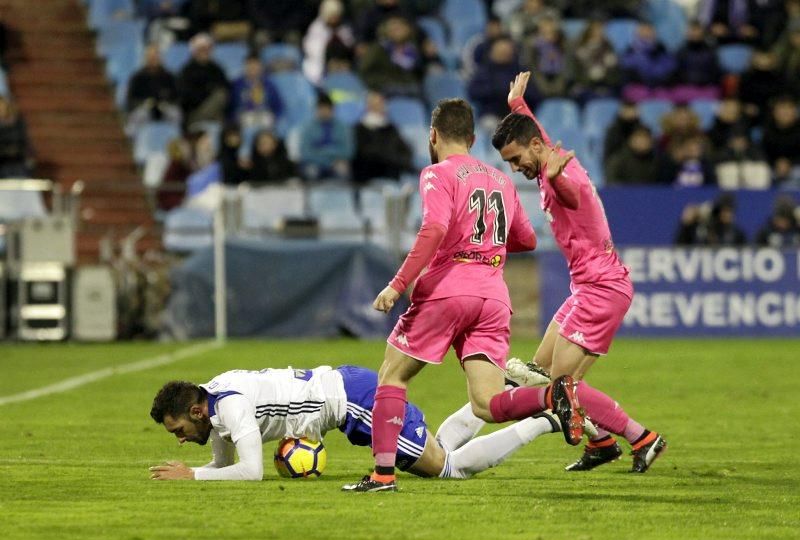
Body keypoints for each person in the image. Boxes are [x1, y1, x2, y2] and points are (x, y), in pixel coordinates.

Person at [343, 98, 583, 493]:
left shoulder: (437, 173)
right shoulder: (500, 178)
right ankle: (550, 395)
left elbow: (434, 228)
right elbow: (523, 237)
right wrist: (486, 243)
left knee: (392, 376)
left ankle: (382, 475)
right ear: (472, 139)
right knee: (487, 404)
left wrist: (397, 284)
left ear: (433, 135)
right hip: (492, 296)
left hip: (446, 291)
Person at [492, 72, 667, 473]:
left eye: (516, 159)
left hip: (601, 290)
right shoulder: (546, 155)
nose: (516, 167)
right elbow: (536, 138)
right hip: (586, 288)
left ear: (535, 148)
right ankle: (601, 443)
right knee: (537, 375)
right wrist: (518, 105)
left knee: (560, 387)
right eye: (509, 162)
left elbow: (572, 193)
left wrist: (557, 180)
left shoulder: (561, 175)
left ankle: (643, 438)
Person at [148, 364, 561, 481]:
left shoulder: (231, 408)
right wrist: (196, 471)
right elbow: (224, 465)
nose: (182, 440)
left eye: (179, 431)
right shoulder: (212, 399)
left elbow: (251, 471)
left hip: (356, 402)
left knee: (448, 468)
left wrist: (196, 478)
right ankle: (502, 388)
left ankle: (546, 419)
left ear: (197, 412)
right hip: (347, 390)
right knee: (435, 450)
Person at [352, 90, 412, 183]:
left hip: (392, 169)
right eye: (376, 103)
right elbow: (364, 152)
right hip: (369, 174)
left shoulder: (390, 127)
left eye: (381, 102)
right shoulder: (360, 128)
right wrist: (392, 158)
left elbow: (405, 149)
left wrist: (400, 160)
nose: (380, 106)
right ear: (368, 106)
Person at [125, 45, 181, 135]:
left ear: (160, 58)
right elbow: (130, 100)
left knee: (175, 114)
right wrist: (143, 103)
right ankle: (134, 144)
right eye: (151, 57)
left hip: (164, 108)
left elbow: (177, 97)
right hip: (145, 108)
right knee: (139, 116)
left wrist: (166, 103)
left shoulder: (169, 77)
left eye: (156, 56)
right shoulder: (137, 77)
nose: (153, 59)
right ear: (146, 58)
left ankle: (174, 142)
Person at [298, 93, 354, 181]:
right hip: (314, 163)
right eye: (321, 108)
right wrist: (328, 157)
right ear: (316, 110)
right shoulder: (307, 128)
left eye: (327, 108)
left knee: (343, 170)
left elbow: (348, 151)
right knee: (310, 171)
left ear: (332, 110)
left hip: (336, 163)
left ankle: (341, 195)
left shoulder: (343, 127)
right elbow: (305, 152)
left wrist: (322, 152)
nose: (324, 111)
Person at [177, 33, 229, 127]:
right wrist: (207, 92)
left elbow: (226, 87)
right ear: (195, 51)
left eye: (207, 49)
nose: (205, 52)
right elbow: (186, 96)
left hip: (215, 111)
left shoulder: (217, 69)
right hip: (194, 113)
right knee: (219, 96)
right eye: (201, 49)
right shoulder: (187, 71)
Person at [228, 54, 284, 131]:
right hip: (244, 116)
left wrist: (275, 117)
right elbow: (230, 106)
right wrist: (233, 119)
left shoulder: (269, 85)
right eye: (250, 65)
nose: (253, 68)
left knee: (267, 121)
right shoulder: (237, 85)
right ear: (245, 67)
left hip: (264, 115)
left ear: (261, 67)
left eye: (255, 65)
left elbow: (278, 105)